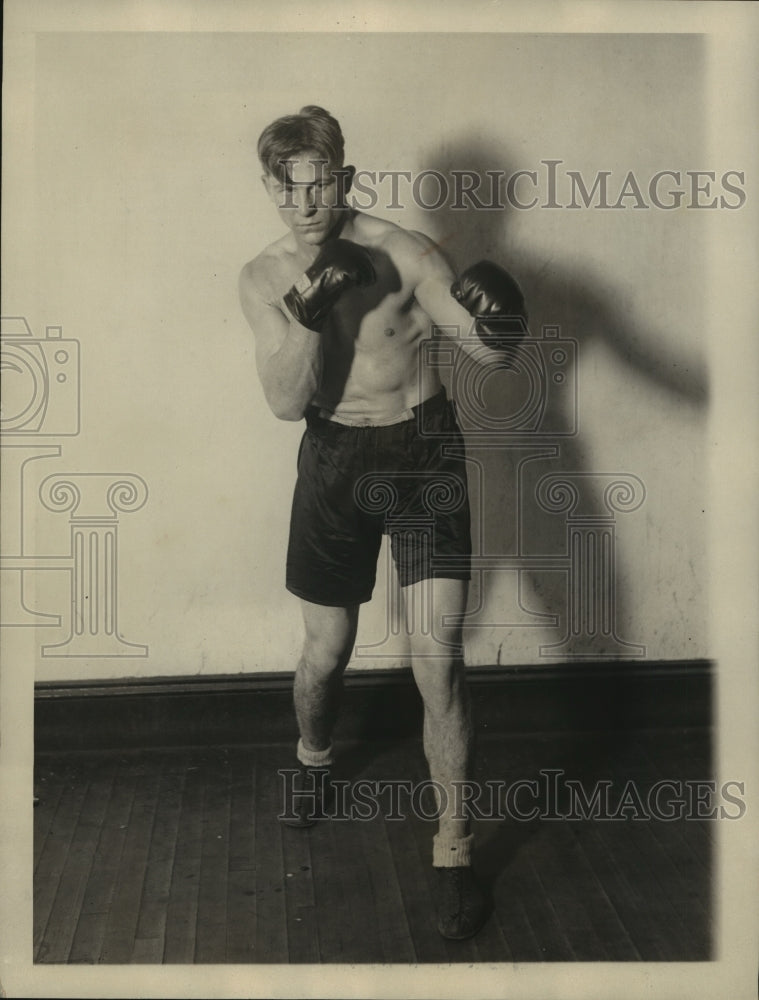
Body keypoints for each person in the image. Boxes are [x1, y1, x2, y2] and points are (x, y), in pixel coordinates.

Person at [239, 105, 526, 941]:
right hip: (332, 460)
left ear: (346, 179)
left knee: (438, 663)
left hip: (423, 452)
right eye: (289, 190)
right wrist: (303, 314)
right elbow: (287, 402)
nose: (307, 204)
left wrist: (500, 326)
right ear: (270, 190)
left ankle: (454, 849)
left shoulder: (403, 251)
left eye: (320, 184)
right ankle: (315, 760)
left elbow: (486, 350)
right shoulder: (260, 277)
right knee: (326, 655)